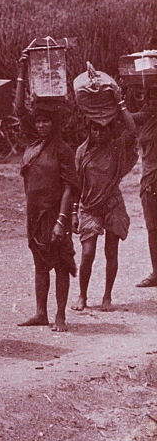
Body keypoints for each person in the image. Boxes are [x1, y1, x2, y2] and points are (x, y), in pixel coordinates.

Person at [13, 60, 78, 331]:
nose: (41, 125)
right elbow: (18, 109)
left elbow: (69, 187)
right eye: (38, 120)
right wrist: (22, 73)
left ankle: (60, 315)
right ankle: (41, 313)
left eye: (45, 121)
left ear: (54, 123)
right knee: (40, 264)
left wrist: (62, 220)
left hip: (55, 215)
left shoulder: (62, 149)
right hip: (34, 214)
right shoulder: (32, 142)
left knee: (61, 264)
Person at [73, 91, 139, 311]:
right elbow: (75, 186)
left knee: (111, 252)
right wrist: (74, 213)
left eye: (102, 128)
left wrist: (119, 101)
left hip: (112, 204)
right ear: (89, 129)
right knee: (88, 253)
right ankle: (82, 295)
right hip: (89, 207)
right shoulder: (82, 152)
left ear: (109, 130)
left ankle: (107, 297)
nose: (98, 133)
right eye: (94, 128)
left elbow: (131, 130)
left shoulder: (116, 149)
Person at [130, 88, 157, 288]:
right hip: (150, 179)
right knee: (153, 228)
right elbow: (124, 118)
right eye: (151, 97)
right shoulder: (145, 117)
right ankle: (156, 272)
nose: (153, 101)